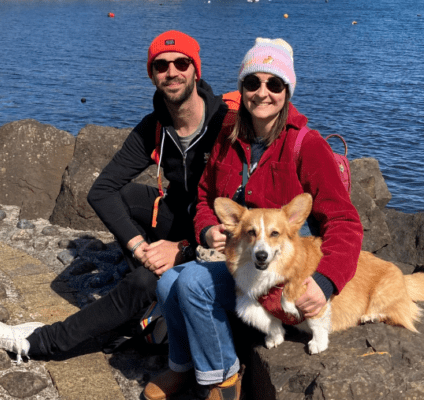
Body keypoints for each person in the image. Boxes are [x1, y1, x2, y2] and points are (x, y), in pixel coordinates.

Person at [0, 30, 233, 363]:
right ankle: (147, 293)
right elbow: (102, 190)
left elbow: (248, 218)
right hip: (181, 218)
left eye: (181, 63)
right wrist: (140, 247)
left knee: (140, 283)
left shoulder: (227, 124)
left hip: (218, 240)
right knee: (124, 195)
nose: (172, 72)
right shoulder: (155, 126)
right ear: (152, 75)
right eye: (161, 66)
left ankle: (39, 342)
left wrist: (181, 251)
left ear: (196, 70)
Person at [141, 38, 363, 400]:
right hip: (239, 262)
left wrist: (324, 282)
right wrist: (207, 227)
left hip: (276, 274)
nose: (262, 93)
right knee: (168, 284)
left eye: (274, 84)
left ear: (287, 90)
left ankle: (224, 378)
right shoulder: (230, 134)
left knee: (193, 282)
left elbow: (345, 222)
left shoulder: (306, 146)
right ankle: (182, 367)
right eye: (252, 83)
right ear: (241, 88)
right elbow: (204, 197)